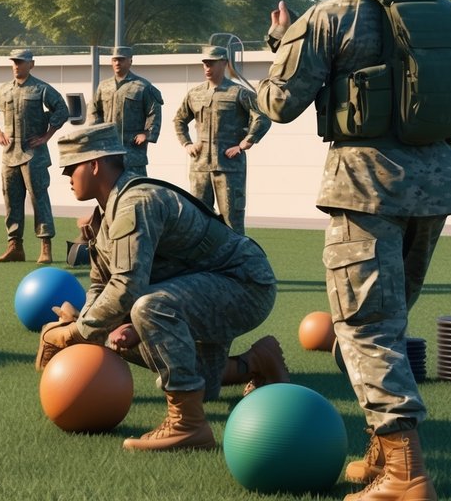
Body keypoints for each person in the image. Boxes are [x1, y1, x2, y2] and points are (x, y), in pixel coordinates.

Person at [256, 0, 451, 499]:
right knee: (386, 327)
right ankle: (378, 454)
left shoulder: (330, 14)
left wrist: (281, 39)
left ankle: (405, 473)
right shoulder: (447, 12)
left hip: (364, 188)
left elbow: (278, 103)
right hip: (433, 190)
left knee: (366, 328)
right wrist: (425, 135)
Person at [36, 123, 288, 452]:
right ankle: (257, 362)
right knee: (202, 384)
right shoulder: (104, 216)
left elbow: (127, 286)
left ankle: (188, 425)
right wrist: (87, 323)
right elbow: (101, 283)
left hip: (244, 286)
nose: (67, 178)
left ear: (94, 165)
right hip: (200, 292)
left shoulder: (136, 203)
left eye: (71, 168)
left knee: (150, 308)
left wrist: (74, 333)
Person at [172, 45, 271, 234]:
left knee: (231, 219)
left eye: (212, 63)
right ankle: (205, 262)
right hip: (200, 167)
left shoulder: (238, 92)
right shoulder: (195, 93)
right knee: (199, 218)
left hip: (229, 167)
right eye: (205, 64)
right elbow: (179, 120)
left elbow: (262, 116)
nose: (207, 68)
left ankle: (238, 261)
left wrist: (246, 143)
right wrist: (187, 143)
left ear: (224, 63)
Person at [0, 49, 70, 263]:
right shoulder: (4, 90)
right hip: (9, 155)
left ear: (31, 64)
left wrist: (46, 136)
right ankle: (15, 246)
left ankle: (45, 247)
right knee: (11, 200)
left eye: (20, 62)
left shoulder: (40, 88)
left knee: (39, 199)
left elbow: (62, 109)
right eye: (14, 62)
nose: (16, 66)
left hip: (34, 155)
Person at [89, 45, 163, 177]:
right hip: (109, 152)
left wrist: (147, 133)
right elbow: (94, 112)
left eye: (121, 60)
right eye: (114, 60)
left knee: (137, 190)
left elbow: (154, 112)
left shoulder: (142, 86)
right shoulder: (104, 86)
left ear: (130, 61)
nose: (117, 63)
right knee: (110, 191)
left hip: (133, 152)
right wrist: (98, 135)